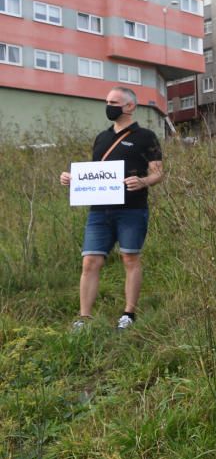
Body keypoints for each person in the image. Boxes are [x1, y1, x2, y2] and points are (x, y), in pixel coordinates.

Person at [59, 87, 164, 331]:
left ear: (130, 106)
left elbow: (158, 173)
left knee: (130, 258)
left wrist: (143, 181)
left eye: (114, 102)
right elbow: (95, 175)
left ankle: (129, 314)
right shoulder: (101, 138)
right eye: (107, 101)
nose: (109, 106)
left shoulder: (146, 136)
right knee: (90, 262)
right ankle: (84, 318)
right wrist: (72, 178)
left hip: (132, 209)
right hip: (99, 211)